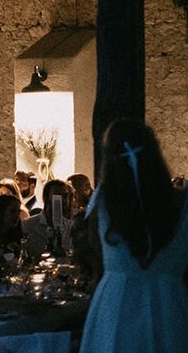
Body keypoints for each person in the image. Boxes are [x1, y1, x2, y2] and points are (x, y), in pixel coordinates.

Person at [81, 120, 188, 352]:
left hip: (116, 308)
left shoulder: (103, 206)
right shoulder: (180, 203)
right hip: (169, 308)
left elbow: (95, 249)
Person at [22, 179, 73, 258]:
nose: (63, 200)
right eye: (57, 195)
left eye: (65, 195)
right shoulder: (28, 225)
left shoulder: (70, 227)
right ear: (46, 197)